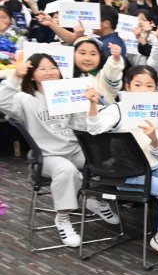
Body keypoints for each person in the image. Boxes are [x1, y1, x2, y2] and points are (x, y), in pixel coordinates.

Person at [0, 52, 121, 245]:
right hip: (48, 155)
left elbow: (83, 127)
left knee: (107, 161)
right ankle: (63, 217)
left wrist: (87, 104)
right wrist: (15, 77)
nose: (49, 72)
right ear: (32, 75)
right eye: (43, 69)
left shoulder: (66, 94)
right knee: (67, 171)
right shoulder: (25, 99)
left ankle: (95, 199)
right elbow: (2, 101)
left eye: (53, 68)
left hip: (74, 149)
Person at [86, 65, 158, 261]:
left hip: (153, 166)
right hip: (126, 171)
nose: (143, 89)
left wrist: (154, 138)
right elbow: (94, 128)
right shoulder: (118, 109)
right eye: (137, 84)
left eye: (149, 85)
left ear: (156, 88)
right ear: (128, 86)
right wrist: (92, 105)